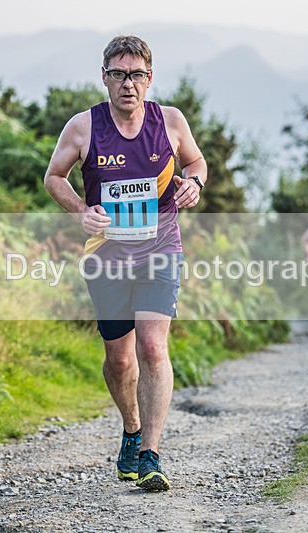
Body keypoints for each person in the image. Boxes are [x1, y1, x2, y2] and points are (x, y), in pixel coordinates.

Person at [43, 35, 206, 491]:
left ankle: (151, 455)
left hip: (161, 249)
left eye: (136, 75)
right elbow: (53, 176)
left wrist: (194, 184)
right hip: (107, 256)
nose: (127, 84)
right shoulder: (83, 127)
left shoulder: (170, 121)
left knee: (152, 347)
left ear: (149, 79)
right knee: (118, 359)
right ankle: (131, 429)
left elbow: (196, 162)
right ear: (105, 78)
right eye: (118, 74)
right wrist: (81, 211)